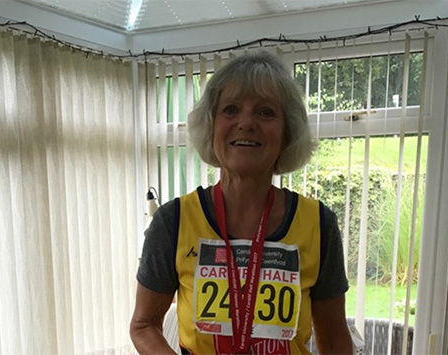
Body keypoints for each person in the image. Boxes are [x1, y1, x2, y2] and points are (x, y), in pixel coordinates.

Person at [130, 51, 353, 355]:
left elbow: (335, 339)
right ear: (211, 126)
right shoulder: (174, 221)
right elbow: (143, 325)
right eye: (231, 109)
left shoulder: (319, 225)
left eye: (265, 112)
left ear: (287, 132)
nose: (246, 123)